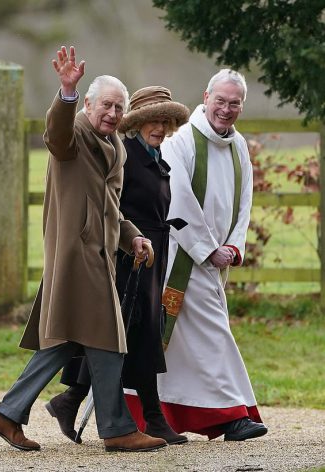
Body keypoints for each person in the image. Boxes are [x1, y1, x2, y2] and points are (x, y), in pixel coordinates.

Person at [0, 46, 167, 453]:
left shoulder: (116, 147)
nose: (113, 113)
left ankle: (7, 414)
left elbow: (112, 210)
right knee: (109, 339)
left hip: (100, 257)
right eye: (106, 105)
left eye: (119, 107)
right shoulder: (75, 133)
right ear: (87, 104)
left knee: (68, 341)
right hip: (75, 256)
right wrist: (65, 92)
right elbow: (55, 133)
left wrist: (133, 235)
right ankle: (117, 428)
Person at [128, 69, 268, 441]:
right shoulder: (183, 140)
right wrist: (208, 249)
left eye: (234, 103)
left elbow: (244, 201)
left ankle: (150, 413)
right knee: (212, 333)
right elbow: (178, 200)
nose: (226, 109)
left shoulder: (238, 145)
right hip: (181, 256)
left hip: (216, 258)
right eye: (220, 100)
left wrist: (234, 247)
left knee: (178, 346)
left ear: (242, 106)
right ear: (206, 97)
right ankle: (231, 415)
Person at [45, 86, 190, 445]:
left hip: (151, 252)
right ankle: (147, 418)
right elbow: (110, 206)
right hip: (125, 258)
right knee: (123, 335)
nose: (160, 127)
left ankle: (70, 399)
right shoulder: (126, 154)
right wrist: (127, 241)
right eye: (153, 120)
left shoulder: (154, 155)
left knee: (134, 334)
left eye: (166, 121)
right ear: (137, 123)